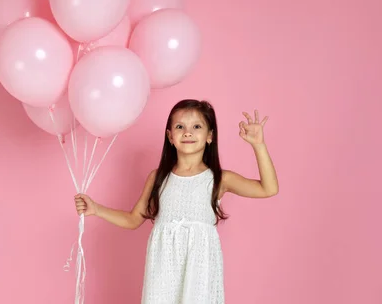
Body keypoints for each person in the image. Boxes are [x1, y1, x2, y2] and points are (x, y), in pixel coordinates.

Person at [74, 99, 279, 303]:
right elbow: (133, 219)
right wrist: (96, 209)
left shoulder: (219, 179)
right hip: (163, 271)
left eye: (196, 126)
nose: (187, 132)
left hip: (199, 272)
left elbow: (268, 188)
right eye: (180, 127)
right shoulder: (158, 178)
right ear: (170, 136)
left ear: (210, 136)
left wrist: (258, 145)